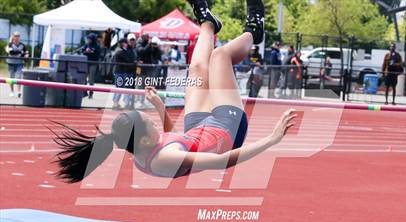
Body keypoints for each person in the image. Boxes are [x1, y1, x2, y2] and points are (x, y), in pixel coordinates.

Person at [52, 0, 296, 182]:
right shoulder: (161, 157)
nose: (155, 126)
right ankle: (255, 29)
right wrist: (271, 139)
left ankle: (209, 23)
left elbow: (174, 142)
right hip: (227, 134)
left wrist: (160, 109)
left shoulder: (146, 150)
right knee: (219, 57)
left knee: (198, 68)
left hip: (198, 130)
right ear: (145, 138)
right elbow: (221, 161)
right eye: (151, 124)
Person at [112, 38, 137, 110]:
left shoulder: (126, 50)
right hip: (119, 72)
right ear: (123, 43)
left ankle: (120, 103)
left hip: (124, 72)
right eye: (125, 43)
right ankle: (115, 103)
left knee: (123, 87)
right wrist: (133, 62)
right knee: (119, 87)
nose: (127, 44)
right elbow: (128, 60)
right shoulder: (119, 51)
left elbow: (131, 58)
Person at [5, 31, 28, 98]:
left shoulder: (23, 45)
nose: (17, 37)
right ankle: (12, 91)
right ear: (13, 37)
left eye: (18, 36)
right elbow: (11, 52)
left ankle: (18, 91)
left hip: (19, 63)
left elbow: (26, 53)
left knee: (18, 77)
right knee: (11, 78)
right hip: (11, 63)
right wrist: (21, 52)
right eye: (15, 36)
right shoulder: (10, 44)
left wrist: (26, 55)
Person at [81, 33, 101, 99]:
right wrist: (86, 51)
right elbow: (82, 51)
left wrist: (92, 52)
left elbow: (98, 55)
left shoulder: (97, 46)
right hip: (86, 63)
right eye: (88, 38)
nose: (88, 40)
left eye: (90, 39)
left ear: (93, 39)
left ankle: (91, 93)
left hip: (93, 63)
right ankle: (84, 92)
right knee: (83, 78)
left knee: (91, 79)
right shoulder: (87, 45)